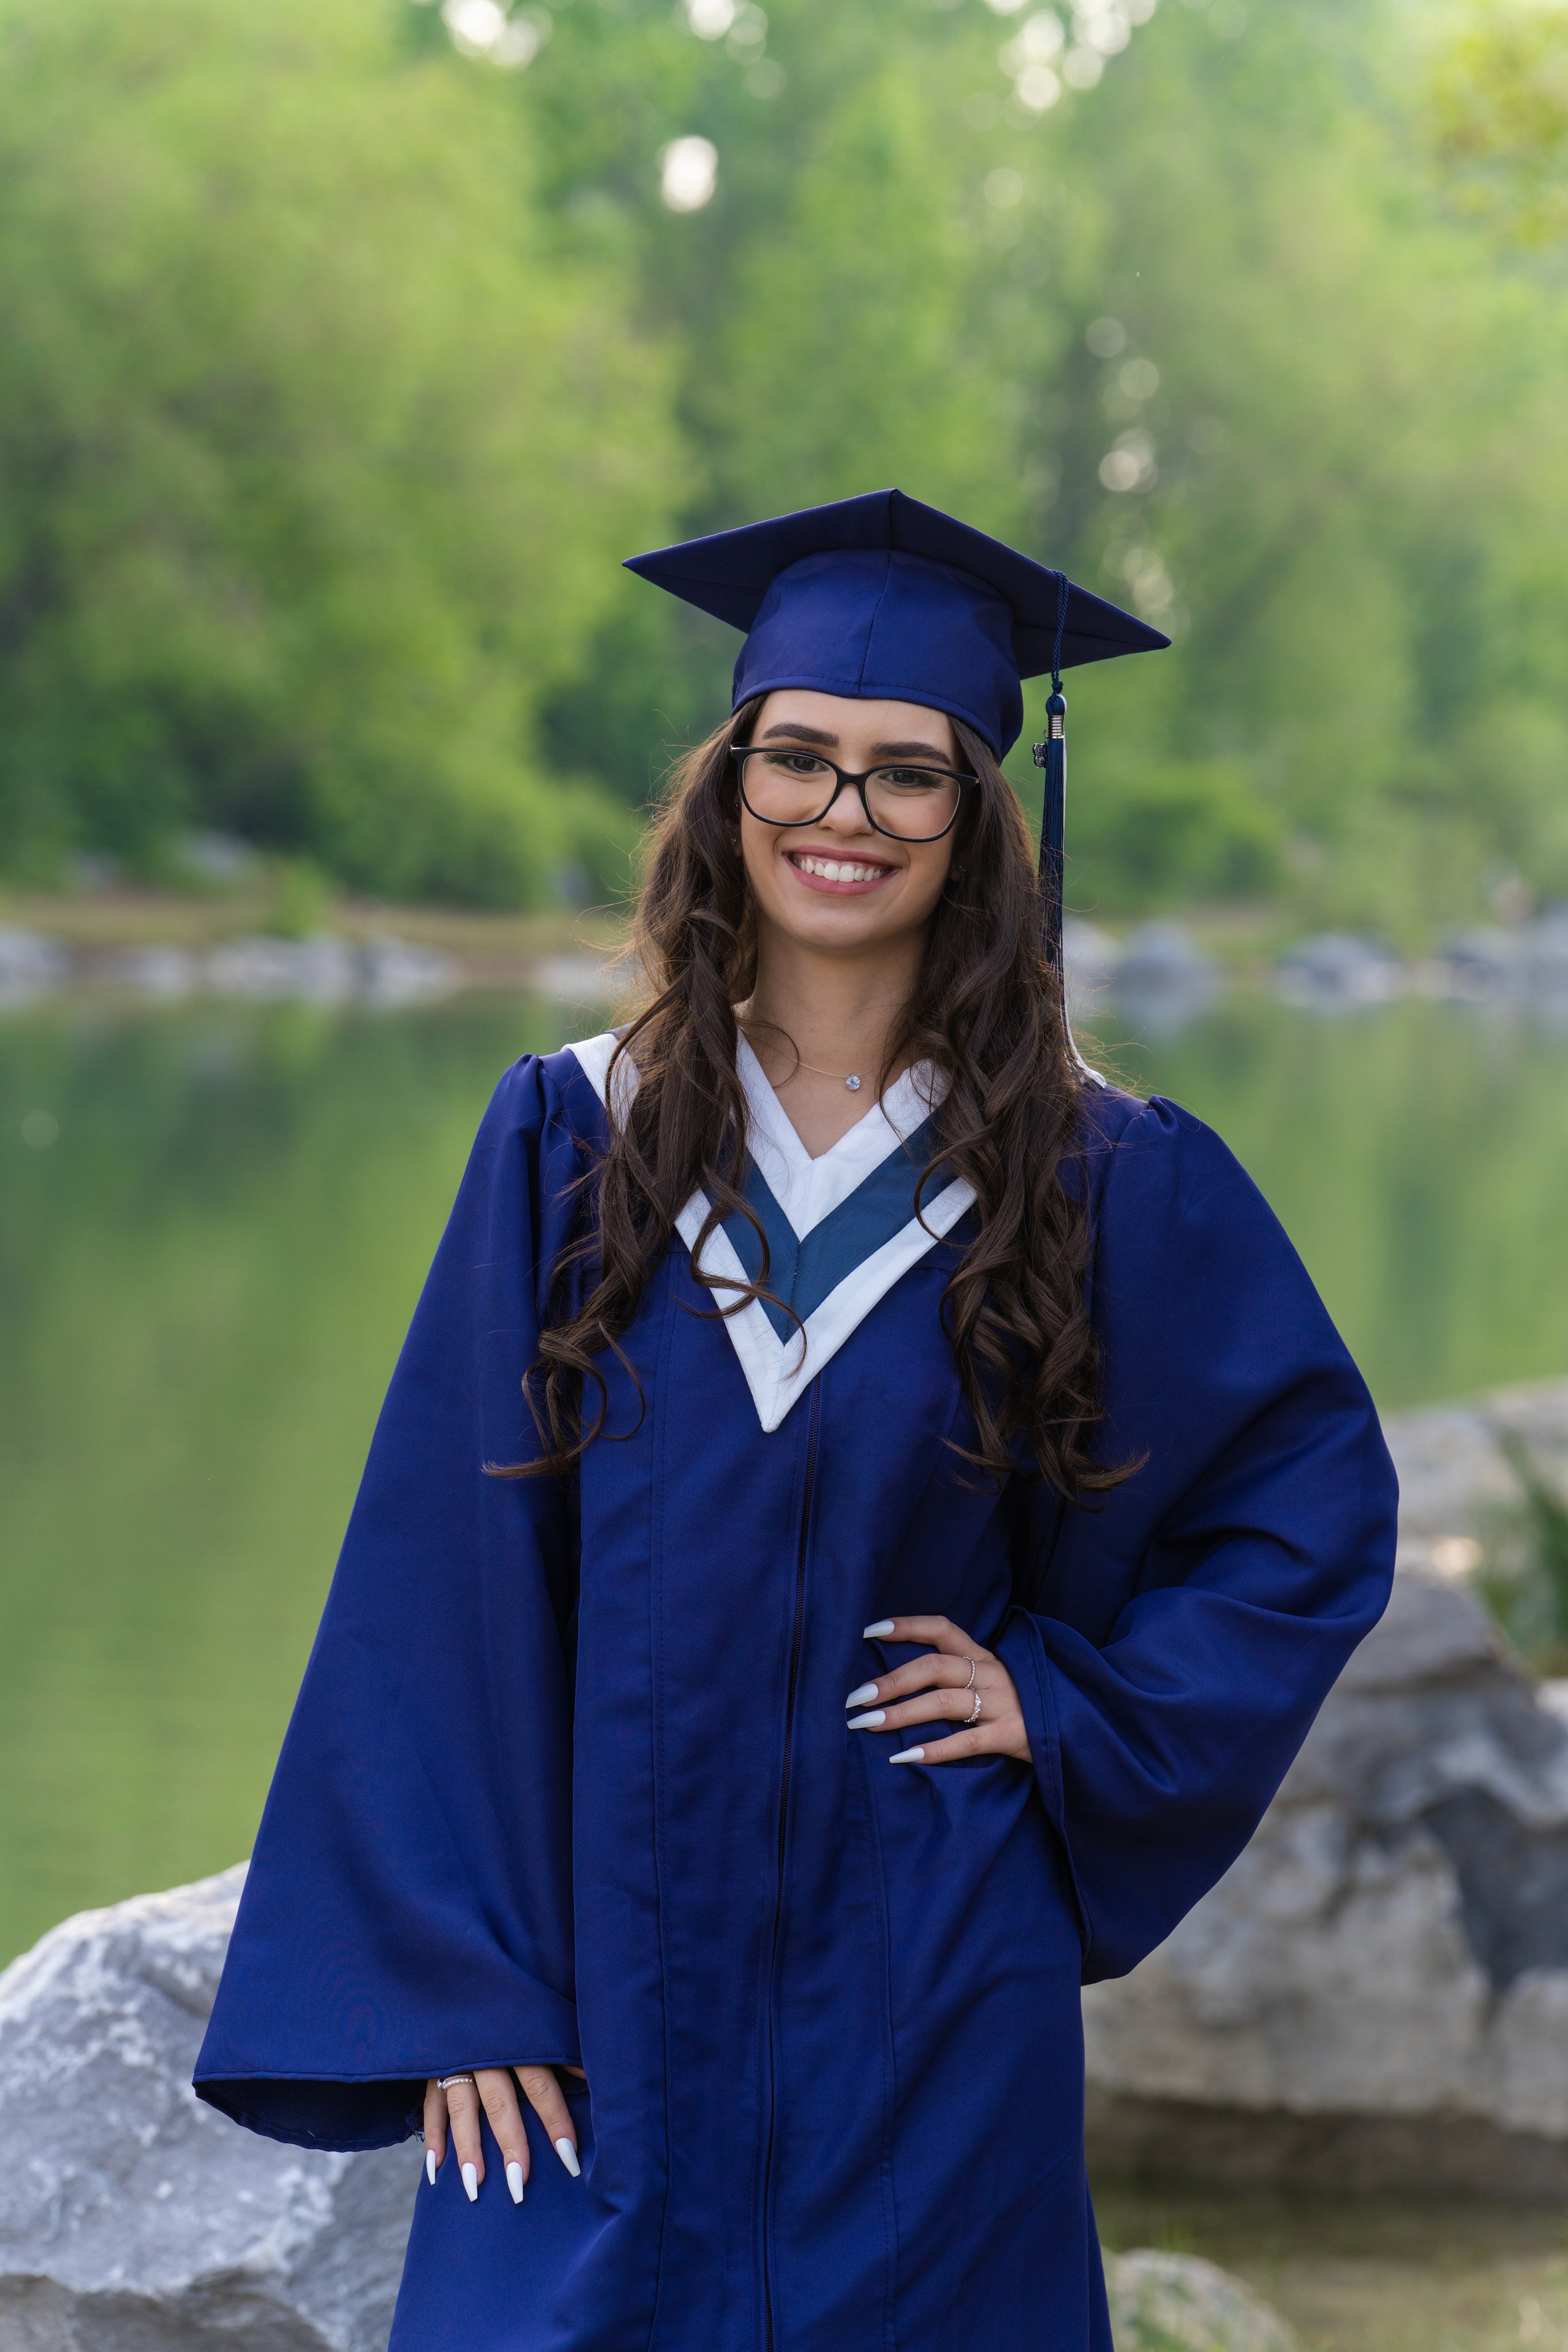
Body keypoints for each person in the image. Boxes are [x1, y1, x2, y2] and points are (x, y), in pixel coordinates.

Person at [195, 490, 1398, 2352]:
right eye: (803, 761)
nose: (846, 815)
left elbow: (1302, 1505)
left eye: (909, 775)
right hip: (603, 1991)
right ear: (728, 783)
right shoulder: (572, 1137)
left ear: (980, 818)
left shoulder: (1095, 1176)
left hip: (928, 1987)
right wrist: (467, 1984)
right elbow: (443, 1578)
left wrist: (1068, 1708)